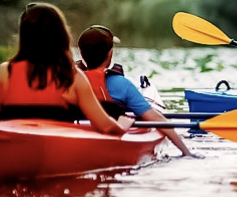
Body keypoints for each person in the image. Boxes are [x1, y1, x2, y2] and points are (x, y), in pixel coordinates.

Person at [0, 3, 124, 135]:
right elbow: (107, 126)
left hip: (13, 147)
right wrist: (124, 127)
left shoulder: (4, 72)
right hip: (57, 152)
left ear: (24, 37)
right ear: (61, 36)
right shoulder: (73, 77)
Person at [77, 24, 195, 157]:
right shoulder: (122, 85)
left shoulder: (70, 83)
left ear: (81, 54)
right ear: (110, 53)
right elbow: (156, 118)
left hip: (76, 138)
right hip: (115, 137)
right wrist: (186, 152)